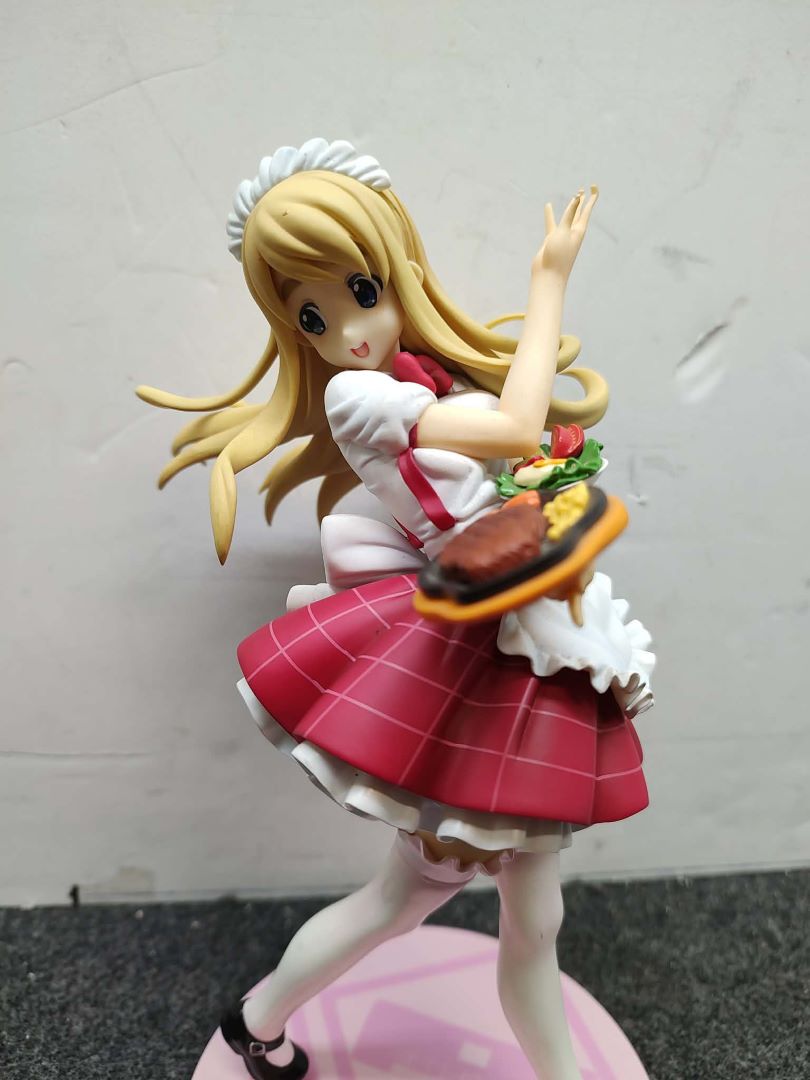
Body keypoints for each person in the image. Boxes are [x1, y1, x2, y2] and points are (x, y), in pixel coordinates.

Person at [138, 139, 655, 1080]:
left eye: (360, 292)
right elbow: (515, 425)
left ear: (399, 271)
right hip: (481, 671)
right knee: (437, 904)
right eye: (312, 316)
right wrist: (548, 284)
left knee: (491, 913)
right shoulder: (359, 397)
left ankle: (257, 1021)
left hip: (515, 640)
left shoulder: (423, 375)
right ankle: (261, 1022)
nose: (346, 331)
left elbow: (517, 456)